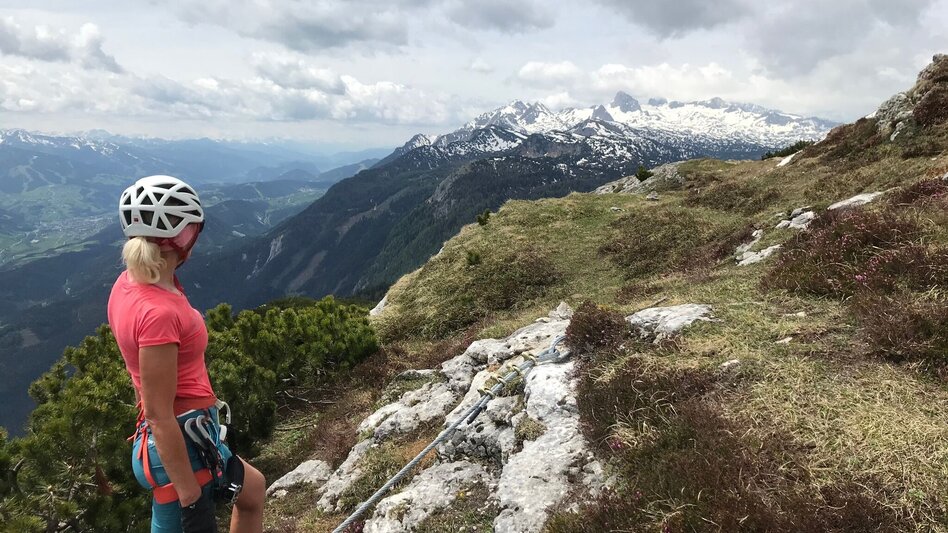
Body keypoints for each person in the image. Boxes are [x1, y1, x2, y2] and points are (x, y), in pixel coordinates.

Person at [107, 175, 265, 533]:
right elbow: (160, 414)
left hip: (185, 436)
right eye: (193, 230)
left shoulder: (128, 283)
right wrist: (191, 498)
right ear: (181, 236)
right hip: (181, 445)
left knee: (252, 490)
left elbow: (141, 381)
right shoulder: (158, 312)